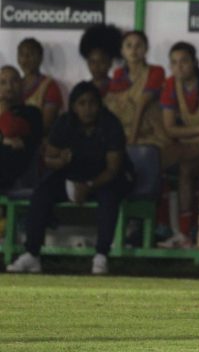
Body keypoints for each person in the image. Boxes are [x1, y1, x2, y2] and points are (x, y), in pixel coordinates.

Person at [6, 82, 133, 275]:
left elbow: (113, 169)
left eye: (92, 103)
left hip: (105, 178)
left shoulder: (110, 124)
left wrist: (88, 186)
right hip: (73, 176)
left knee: (109, 196)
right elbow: (49, 158)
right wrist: (60, 162)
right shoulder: (65, 123)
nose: (88, 109)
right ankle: (32, 254)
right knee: (42, 191)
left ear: (99, 105)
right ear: (73, 106)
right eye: (82, 103)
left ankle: (101, 255)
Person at [159, 42, 199, 247]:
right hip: (193, 144)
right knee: (157, 162)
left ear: (195, 62)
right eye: (174, 62)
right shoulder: (171, 84)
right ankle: (162, 226)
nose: (179, 67)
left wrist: (185, 138)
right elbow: (169, 128)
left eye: (184, 61)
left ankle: (186, 231)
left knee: (186, 169)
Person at [104, 31, 168, 151]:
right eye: (129, 46)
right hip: (123, 134)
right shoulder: (119, 74)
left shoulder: (156, 71)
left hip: (150, 135)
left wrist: (132, 141)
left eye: (138, 45)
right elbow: (112, 105)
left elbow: (142, 103)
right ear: (122, 51)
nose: (133, 50)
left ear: (146, 49)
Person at [0, 66, 43, 190]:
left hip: (18, 175)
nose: (9, 87)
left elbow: (9, 130)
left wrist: (3, 112)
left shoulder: (32, 113)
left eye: (14, 81)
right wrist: (5, 140)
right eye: (3, 82)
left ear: (22, 84)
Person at [17, 38, 63, 136]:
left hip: (39, 143)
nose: (25, 59)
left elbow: (46, 125)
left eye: (30, 55)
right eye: (22, 55)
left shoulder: (49, 86)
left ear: (40, 58)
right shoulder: (14, 84)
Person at [79, 24, 123, 97]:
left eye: (102, 61)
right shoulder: (81, 89)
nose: (96, 67)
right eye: (92, 62)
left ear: (110, 63)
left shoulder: (118, 89)